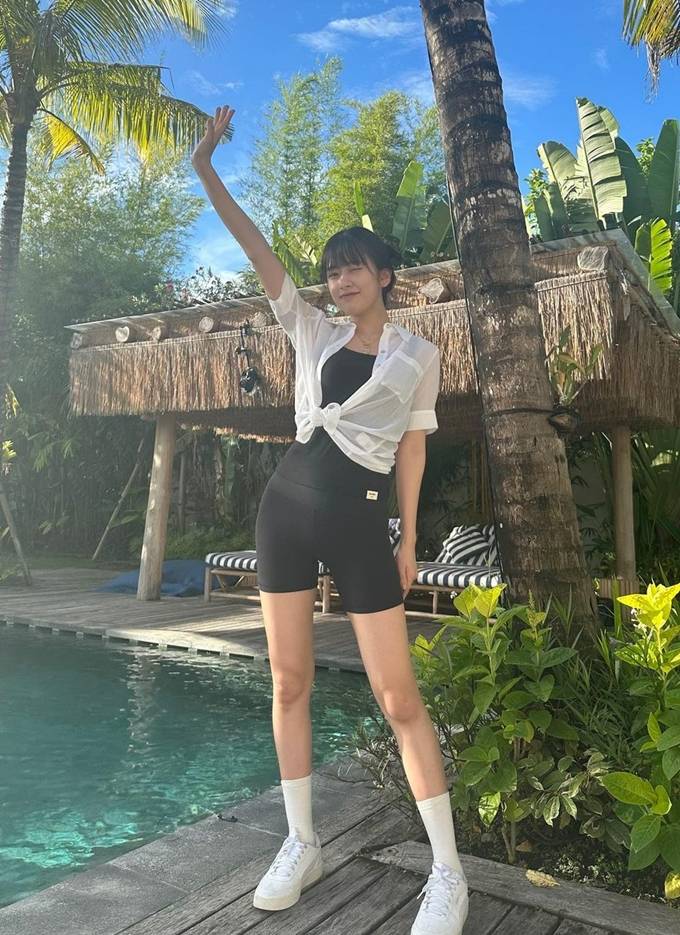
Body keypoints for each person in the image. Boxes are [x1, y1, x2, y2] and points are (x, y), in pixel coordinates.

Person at [192, 105, 468, 935]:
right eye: (331, 270)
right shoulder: (308, 330)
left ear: (384, 275)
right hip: (284, 512)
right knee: (288, 681)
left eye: (354, 268)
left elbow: (412, 450)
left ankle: (448, 872)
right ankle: (302, 840)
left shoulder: (419, 356)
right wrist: (206, 168)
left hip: (360, 521)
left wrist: (410, 536)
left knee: (398, 695)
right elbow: (255, 248)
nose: (339, 280)